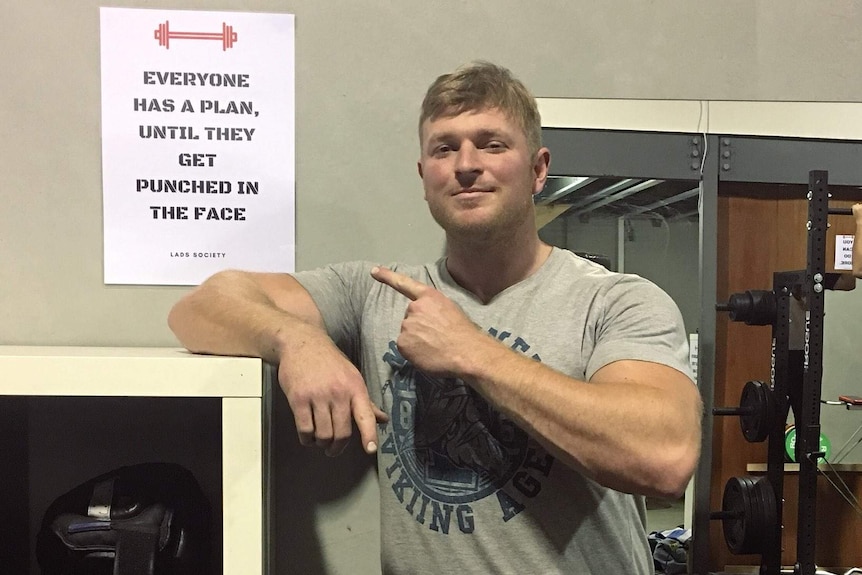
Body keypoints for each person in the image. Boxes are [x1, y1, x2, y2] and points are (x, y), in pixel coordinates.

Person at [168, 61, 703, 574]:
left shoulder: (616, 301)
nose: (466, 164)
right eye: (444, 149)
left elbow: (665, 457)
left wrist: (470, 352)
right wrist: (297, 341)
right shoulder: (375, 292)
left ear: (538, 170)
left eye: (492, 144)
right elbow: (201, 307)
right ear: (425, 175)